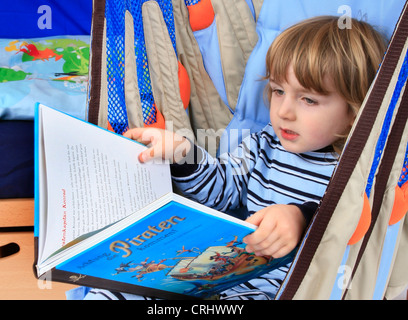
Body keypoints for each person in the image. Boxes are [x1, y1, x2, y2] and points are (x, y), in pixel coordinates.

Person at [82, 16, 387, 300]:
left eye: (308, 99)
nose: (284, 112)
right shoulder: (264, 144)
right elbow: (219, 192)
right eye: (278, 91)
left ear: (354, 112)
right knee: (113, 291)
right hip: (219, 277)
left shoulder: (359, 171)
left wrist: (301, 218)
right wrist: (182, 154)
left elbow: (352, 230)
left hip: (278, 291)